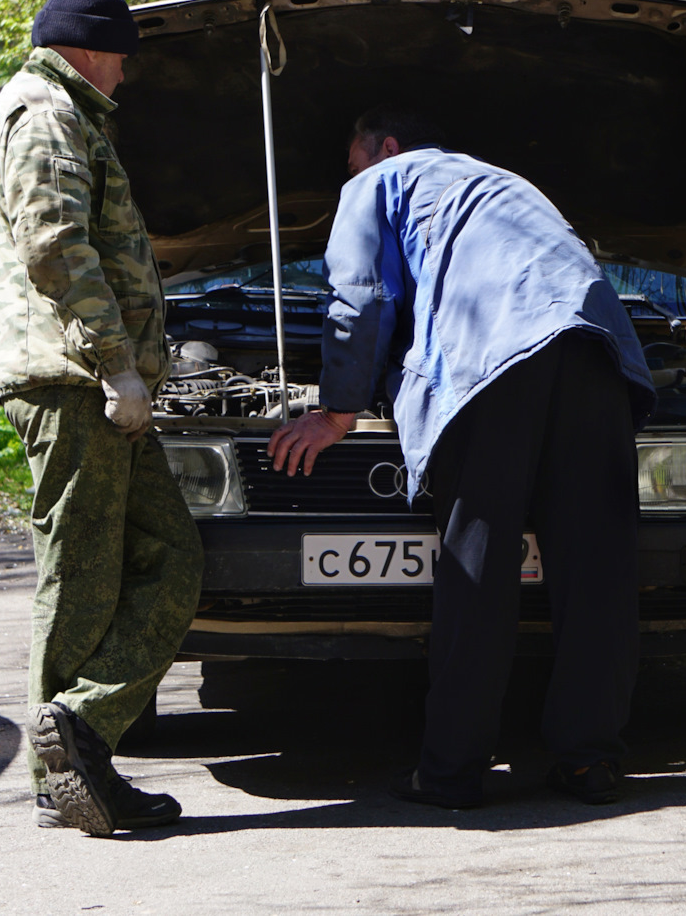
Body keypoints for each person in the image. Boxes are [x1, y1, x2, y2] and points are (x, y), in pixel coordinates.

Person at [268, 106, 655, 808]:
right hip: (596, 351)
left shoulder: (381, 181)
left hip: (495, 365)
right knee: (594, 568)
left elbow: (363, 294)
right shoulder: (503, 184)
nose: (348, 180)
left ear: (384, 147)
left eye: (350, 163)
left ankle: (452, 772)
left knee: (477, 567)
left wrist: (337, 411)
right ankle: (588, 761)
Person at [0, 0, 204, 836]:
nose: (126, 74)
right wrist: (117, 366)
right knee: (79, 574)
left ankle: (77, 740)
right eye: (120, 56)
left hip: (91, 383)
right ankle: (68, 756)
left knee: (168, 558)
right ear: (88, 48)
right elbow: (56, 244)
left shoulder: (63, 111)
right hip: (73, 383)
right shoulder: (46, 112)